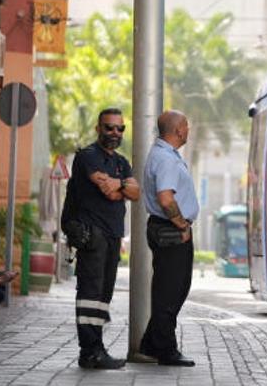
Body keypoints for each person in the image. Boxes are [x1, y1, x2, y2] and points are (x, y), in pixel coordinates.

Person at [69, 108, 140, 369]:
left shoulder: (121, 162)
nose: (114, 133)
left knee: (103, 295)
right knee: (90, 294)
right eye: (109, 127)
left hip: (112, 235)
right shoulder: (88, 157)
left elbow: (136, 193)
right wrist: (122, 186)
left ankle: (97, 349)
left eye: (119, 128)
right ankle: (89, 351)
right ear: (98, 128)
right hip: (92, 234)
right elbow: (110, 192)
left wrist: (118, 184)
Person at [139, 110, 199, 367]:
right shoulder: (165, 159)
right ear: (177, 131)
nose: (188, 129)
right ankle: (165, 349)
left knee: (174, 288)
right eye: (186, 125)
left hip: (168, 229)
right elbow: (166, 198)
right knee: (170, 291)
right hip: (170, 230)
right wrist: (182, 225)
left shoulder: (165, 155)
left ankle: (152, 342)